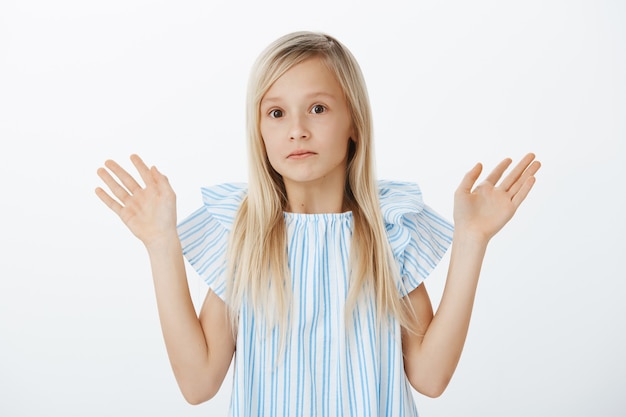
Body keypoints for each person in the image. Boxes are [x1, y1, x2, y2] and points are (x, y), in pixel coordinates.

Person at [95, 31, 540, 416]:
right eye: (277, 113)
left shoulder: (388, 231)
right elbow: (198, 385)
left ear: (354, 124)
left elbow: (430, 376)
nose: (297, 130)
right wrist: (160, 243)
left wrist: (472, 239)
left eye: (319, 109)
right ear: (260, 132)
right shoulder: (243, 235)